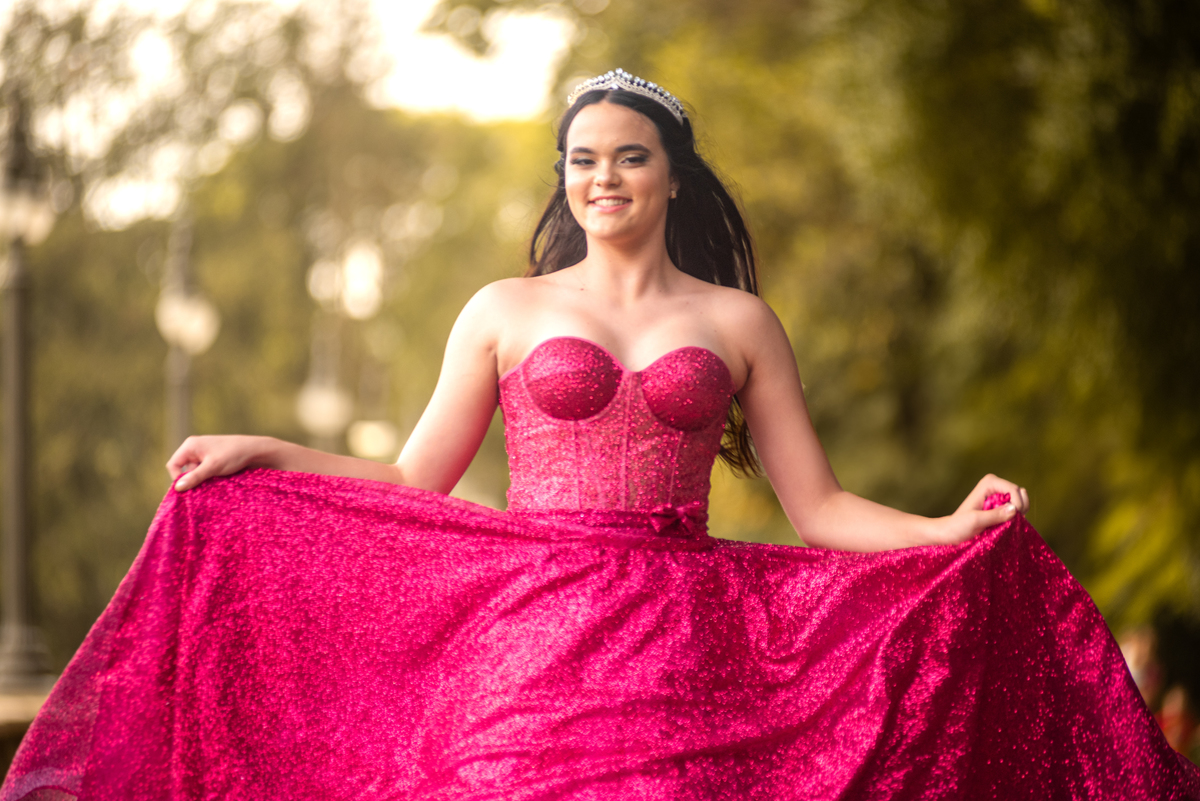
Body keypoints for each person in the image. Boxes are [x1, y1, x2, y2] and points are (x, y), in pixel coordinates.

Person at [2, 69, 1196, 801]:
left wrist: (942, 530)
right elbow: (415, 475)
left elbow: (820, 509)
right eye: (583, 161)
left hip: (687, 653)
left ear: (674, 177)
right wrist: (262, 453)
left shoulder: (738, 322)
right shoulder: (503, 310)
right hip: (529, 643)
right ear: (565, 178)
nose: (603, 179)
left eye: (629, 158)